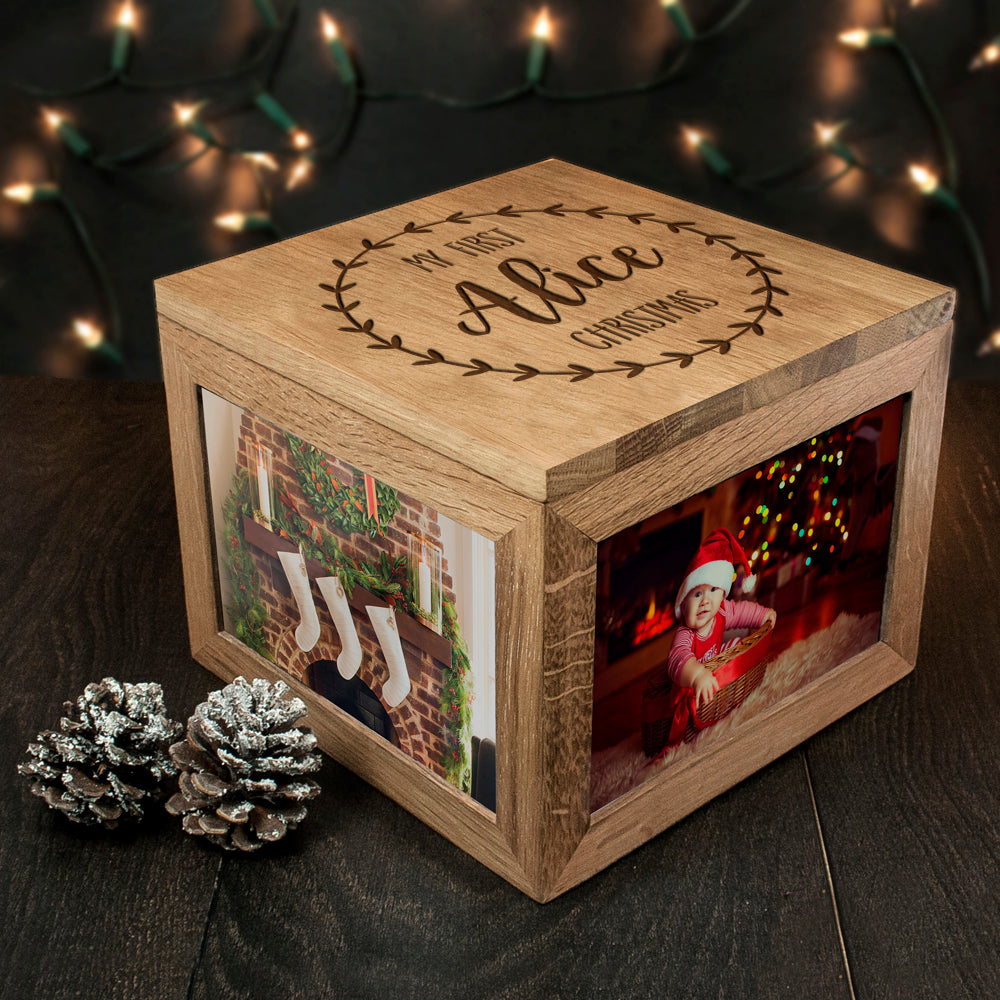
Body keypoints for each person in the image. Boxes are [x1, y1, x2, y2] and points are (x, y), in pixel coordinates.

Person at [667, 527, 777, 712]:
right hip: (691, 692)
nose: (705, 601)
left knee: (736, 645)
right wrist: (697, 676)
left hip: (715, 677)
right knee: (697, 679)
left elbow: (741, 611)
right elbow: (677, 659)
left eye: (712, 590)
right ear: (683, 606)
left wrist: (763, 614)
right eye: (697, 594)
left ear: (722, 595)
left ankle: (733, 690)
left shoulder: (720, 612)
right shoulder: (685, 634)